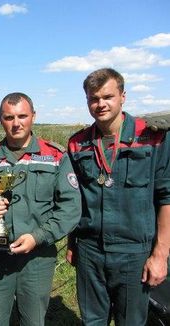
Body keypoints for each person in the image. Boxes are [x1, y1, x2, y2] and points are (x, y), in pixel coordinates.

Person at [67, 67, 170, 325]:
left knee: (131, 321)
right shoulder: (77, 144)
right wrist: (72, 244)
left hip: (134, 252)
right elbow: (74, 197)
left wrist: (160, 255)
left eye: (107, 96)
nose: (100, 104)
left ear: (123, 96)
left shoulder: (153, 137)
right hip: (90, 250)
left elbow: (166, 197)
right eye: (93, 98)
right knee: (92, 320)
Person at [0, 92, 81, 326]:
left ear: (33, 116)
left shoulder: (55, 156)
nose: (16, 123)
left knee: (33, 320)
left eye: (22, 116)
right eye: (9, 117)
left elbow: (70, 208)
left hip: (37, 258)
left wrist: (38, 237)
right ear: (1, 119)